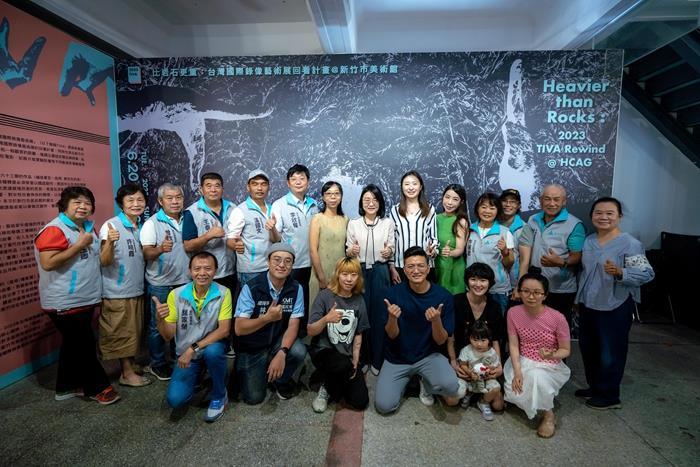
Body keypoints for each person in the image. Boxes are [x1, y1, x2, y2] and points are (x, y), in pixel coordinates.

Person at [33, 186, 120, 405]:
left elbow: (98, 260)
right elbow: (48, 263)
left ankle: (66, 387)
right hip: (64, 300)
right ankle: (98, 387)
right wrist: (79, 245)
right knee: (84, 345)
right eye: (77, 202)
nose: (83, 207)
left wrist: (108, 243)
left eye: (87, 203)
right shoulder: (55, 229)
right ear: (64, 206)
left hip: (85, 297)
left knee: (73, 344)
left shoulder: (88, 227)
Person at [575, 197, 654, 410]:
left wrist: (621, 272)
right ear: (592, 216)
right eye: (598, 213)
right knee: (589, 348)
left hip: (615, 305)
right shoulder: (589, 241)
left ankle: (609, 395)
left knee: (611, 352)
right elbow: (584, 274)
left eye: (609, 213)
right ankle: (595, 387)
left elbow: (647, 273)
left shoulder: (630, 243)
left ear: (619, 216)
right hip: (588, 304)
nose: (603, 217)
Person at [374, 247, 466, 414]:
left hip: (429, 356)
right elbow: (391, 335)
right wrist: (392, 318)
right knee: (384, 406)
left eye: (420, 266)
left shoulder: (443, 297)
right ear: (404, 269)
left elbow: (441, 340)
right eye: (410, 266)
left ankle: (425, 380)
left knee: (452, 387)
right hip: (398, 358)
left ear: (428, 268)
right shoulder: (392, 294)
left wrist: (436, 321)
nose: (416, 271)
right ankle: (407, 381)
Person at [153, 252, 231, 423]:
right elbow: (167, 335)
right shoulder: (176, 294)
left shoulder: (224, 292)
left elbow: (224, 330)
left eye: (208, 268)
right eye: (197, 268)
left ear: (216, 270)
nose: (202, 273)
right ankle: (200, 373)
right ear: (190, 271)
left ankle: (219, 395)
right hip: (186, 356)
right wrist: (159, 320)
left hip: (208, 348)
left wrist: (192, 348)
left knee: (213, 352)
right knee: (176, 400)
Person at [232, 243, 307, 404]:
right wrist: (266, 318)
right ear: (268, 262)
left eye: (287, 261)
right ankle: (254, 366)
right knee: (254, 398)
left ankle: (279, 379)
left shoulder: (296, 288)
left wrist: (282, 352)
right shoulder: (252, 287)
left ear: (292, 265)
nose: (282, 265)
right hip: (252, 346)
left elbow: (293, 325)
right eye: (277, 260)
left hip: (276, 340)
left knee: (299, 351)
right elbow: (239, 328)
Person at [504, 273, 571, 438]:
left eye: (537, 292)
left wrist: (551, 355)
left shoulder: (557, 318)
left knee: (536, 378)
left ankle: (549, 415)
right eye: (526, 291)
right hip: (523, 360)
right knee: (516, 391)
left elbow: (566, 350)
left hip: (549, 364)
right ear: (519, 292)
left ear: (545, 295)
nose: (531, 296)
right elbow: (514, 344)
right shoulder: (513, 312)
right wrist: (517, 371)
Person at [99, 183, 150, 387]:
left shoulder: (139, 225)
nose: (136, 204)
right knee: (122, 332)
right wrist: (110, 242)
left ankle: (130, 366)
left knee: (132, 331)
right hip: (118, 291)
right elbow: (104, 261)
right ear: (121, 204)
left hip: (135, 288)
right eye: (130, 200)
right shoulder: (110, 226)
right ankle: (126, 374)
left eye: (140, 200)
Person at [307, 257, 370, 413]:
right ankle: (325, 388)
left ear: (358, 277)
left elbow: (358, 333)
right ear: (337, 275)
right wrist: (326, 319)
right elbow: (310, 330)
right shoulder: (325, 296)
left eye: (353, 275)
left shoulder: (359, 300)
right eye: (344, 274)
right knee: (341, 365)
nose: (349, 279)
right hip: (324, 351)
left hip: (346, 355)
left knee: (360, 401)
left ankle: (331, 379)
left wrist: (355, 360)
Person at [140, 183, 190, 381]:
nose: (175, 201)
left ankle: (178, 358)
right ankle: (157, 363)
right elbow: (146, 253)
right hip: (161, 283)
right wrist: (160, 249)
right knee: (157, 325)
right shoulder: (152, 223)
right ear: (161, 201)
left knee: (182, 322)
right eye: (169, 198)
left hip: (185, 281)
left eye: (178, 197)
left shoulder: (189, 218)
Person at [518, 184, 585, 329]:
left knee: (557, 329)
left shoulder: (574, 224)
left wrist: (561, 262)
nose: (551, 203)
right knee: (534, 327)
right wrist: (521, 283)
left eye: (556, 199)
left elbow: (577, 256)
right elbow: (525, 253)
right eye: (547, 199)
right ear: (541, 200)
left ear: (564, 201)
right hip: (535, 287)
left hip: (560, 289)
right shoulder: (533, 220)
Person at [346, 184, 394, 375]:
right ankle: (363, 358)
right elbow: (348, 249)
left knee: (380, 315)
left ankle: (377, 359)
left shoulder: (387, 223)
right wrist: (352, 250)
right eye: (367, 200)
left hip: (381, 271)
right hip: (360, 271)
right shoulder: (354, 223)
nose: (371, 203)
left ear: (380, 202)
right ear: (361, 203)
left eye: (375, 200)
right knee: (361, 314)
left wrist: (389, 251)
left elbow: (391, 247)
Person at [448, 263, 505, 396]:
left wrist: (499, 365)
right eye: (473, 279)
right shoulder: (456, 301)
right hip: (462, 358)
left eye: (483, 280)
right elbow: (450, 337)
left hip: (485, 359)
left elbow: (495, 340)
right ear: (467, 281)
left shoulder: (494, 306)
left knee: (497, 401)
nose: (478, 284)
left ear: (489, 283)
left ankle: (480, 396)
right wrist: (453, 362)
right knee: (453, 399)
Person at [271, 164, 319, 315]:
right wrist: (271, 228)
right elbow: (275, 238)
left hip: (312, 263)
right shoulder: (279, 204)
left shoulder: (314, 204)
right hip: (292, 264)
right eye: (294, 179)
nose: (298, 182)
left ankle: (305, 328)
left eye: (302, 178)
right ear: (288, 183)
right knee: (289, 304)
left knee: (308, 302)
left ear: (308, 182)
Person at [182, 172, 237, 293]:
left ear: (222, 189)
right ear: (201, 190)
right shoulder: (192, 212)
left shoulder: (233, 208)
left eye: (217, 186)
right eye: (208, 186)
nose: (213, 190)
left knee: (229, 304)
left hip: (231, 271)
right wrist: (209, 235)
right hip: (205, 274)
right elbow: (188, 246)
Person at [226, 169, 279, 287]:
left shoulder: (273, 209)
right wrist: (237, 245)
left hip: (272, 267)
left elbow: (276, 239)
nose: (259, 188)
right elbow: (230, 241)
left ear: (269, 187)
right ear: (248, 187)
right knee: (251, 298)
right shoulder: (240, 210)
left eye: (263, 184)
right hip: (251, 270)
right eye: (255, 184)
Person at [466, 192, 514, 314]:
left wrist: (505, 252)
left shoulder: (505, 232)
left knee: (496, 323)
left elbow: (509, 264)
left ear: (497, 211)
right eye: (484, 207)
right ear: (477, 209)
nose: (487, 211)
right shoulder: (469, 230)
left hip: (497, 289)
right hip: (473, 287)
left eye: (492, 208)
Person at [389, 171, 437, 284]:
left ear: (420, 187)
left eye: (414, 184)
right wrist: (392, 267)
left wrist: (433, 251)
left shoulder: (430, 209)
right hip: (401, 266)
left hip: (424, 266)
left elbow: (434, 238)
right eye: (407, 184)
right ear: (402, 187)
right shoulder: (394, 210)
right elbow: (391, 240)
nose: (411, 187)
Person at [309, 181, 348, 305]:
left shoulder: (345, 219)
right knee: (319, 311)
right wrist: (321, 278)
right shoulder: (317, 219)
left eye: (336, 193)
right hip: (320, 274)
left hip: (340, 275)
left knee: (339, 312)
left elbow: (347, 248)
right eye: (329, 194)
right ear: (323, 197)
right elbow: (313, 250)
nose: (333, 197)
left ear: (341, 197)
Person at [457, 321, 504, 421]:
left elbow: (494, 367)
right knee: (458, 388)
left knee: (496, 388)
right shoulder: (467, 350)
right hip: (469, 379)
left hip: (485, 379)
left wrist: (488, 371)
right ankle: (468, 393)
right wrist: (470, 373)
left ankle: (483, 402)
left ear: (489, 339)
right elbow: (463, 364)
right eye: (475, 340)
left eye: (483, 340)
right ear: (470, 338)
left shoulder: (492, 353)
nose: (479, 344)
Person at [435, 184, 469, 295]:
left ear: (461, 202)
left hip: (453, 268)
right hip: (437, 265)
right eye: (447, 197)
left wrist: (450, 252)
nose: (449, 202)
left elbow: (460, 249)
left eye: (455, 199)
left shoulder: (460, 221)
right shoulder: (435, 218)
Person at [498, 188, 525, 293]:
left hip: (514, 284)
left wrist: (520, 286)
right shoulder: (491, 224)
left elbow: (525, 260)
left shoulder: (524, 228)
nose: (508, 204)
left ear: (519, 205)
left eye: (513, 201)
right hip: (493, 282)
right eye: (504, 201)